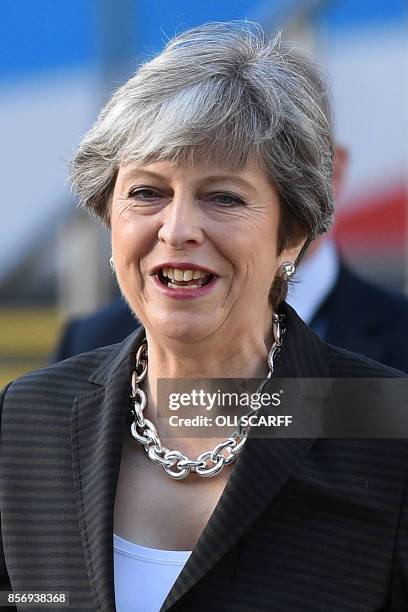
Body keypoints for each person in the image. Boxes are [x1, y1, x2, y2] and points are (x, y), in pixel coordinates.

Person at [1, 22, 408, 612]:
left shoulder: (386, 428)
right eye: (146, 193)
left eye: (224, 197)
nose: (178, 229)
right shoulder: (29, 420)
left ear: (291, 235)